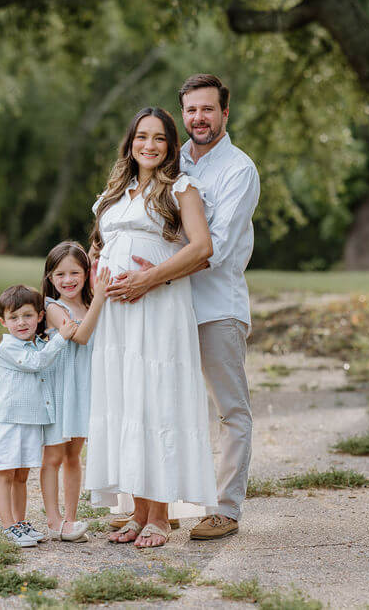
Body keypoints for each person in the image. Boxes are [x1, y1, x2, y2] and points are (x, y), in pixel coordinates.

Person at [105, 74, 260, 540]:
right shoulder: (171, 162)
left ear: (225, 113)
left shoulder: (239, 170)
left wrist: (148, 277)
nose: (199, 118)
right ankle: (157, 504)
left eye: (208, 109)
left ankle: (224, 509)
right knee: (157, 402)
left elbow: (216, 247)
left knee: (229, 409)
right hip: (164, 308)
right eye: (191, 110)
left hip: (214, 305)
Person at [85, 106, 218, 549]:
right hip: (116, 314)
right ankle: (137, 512)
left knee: (155, 399)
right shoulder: (114, 192)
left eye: (159, 138)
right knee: (126, 401)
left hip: (157, 306)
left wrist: (148, 278)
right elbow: (100, 244)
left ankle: (159, 516)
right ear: (130, 142)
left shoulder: (181, 188)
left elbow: (202, 248)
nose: (149, 145)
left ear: (171, 146)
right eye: (142, 136)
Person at [0, 284, 77, 548]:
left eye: (27, 315)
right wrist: (62, 338)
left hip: (31, 422)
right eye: (13, 318)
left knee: (21, 476)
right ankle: (8, 526)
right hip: (8, 421)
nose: (21, 322)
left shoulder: (39, 343)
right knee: (5, 474)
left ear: (40, 316)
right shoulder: (9, 348)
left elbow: (46, 361)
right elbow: (37, 363)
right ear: (3, 322)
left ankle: (20, 521)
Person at [38, 241, 111, 542]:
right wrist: (100, 298)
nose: (67, 280)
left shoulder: (89, 302)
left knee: (74, 457)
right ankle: (54, 520)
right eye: (60, 274)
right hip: (59, 390)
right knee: (52, 457)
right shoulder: (52, 306)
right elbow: (80, 336)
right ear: (50, 279)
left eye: (75, 273)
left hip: (83, 390)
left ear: (86, 273)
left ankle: (71, 518)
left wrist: (94, 259)